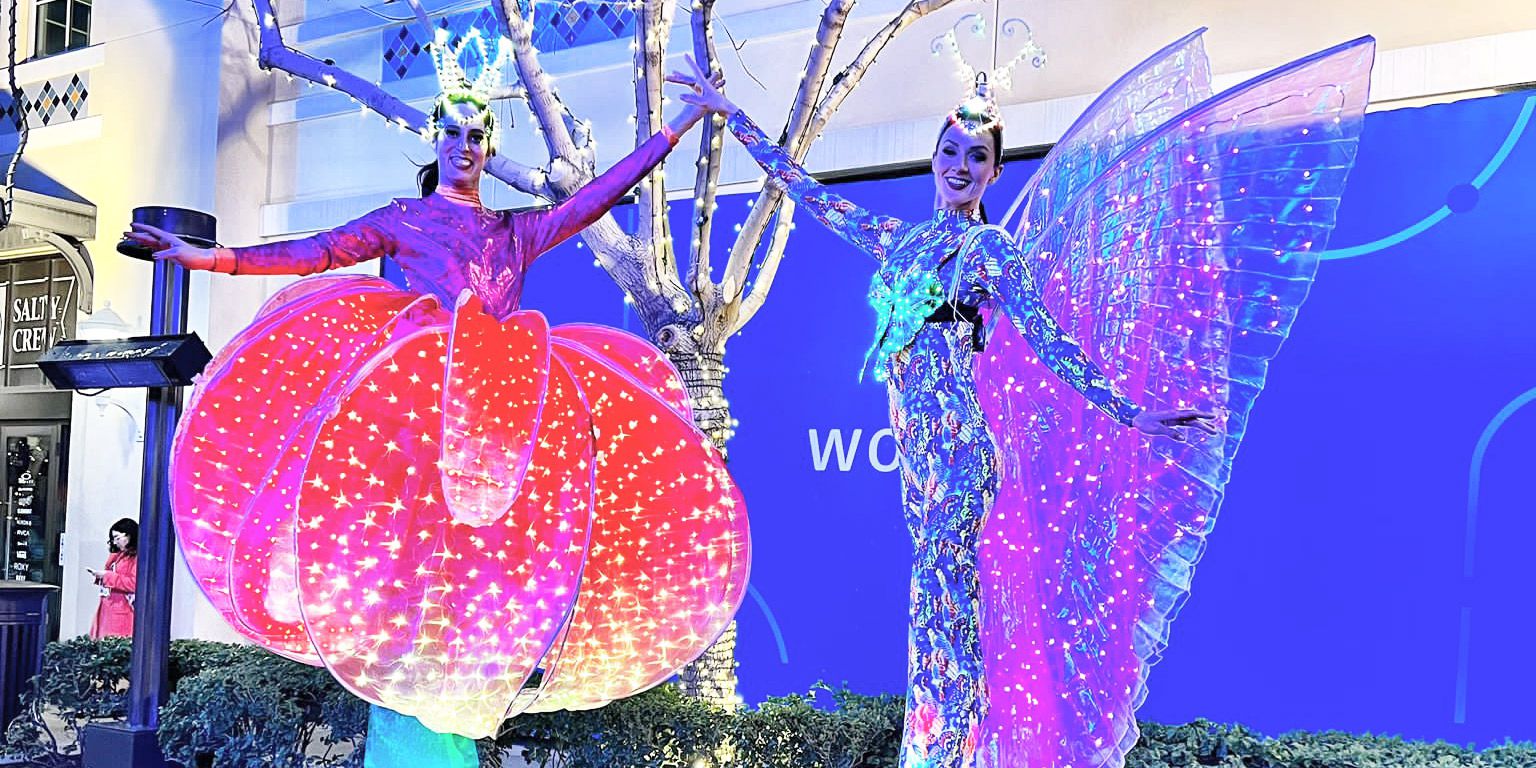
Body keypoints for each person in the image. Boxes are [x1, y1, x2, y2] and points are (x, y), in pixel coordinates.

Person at [675, 27, 1373, 768]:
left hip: (960, 455)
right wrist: (730, 113)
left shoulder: (990, 252)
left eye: (976, 158)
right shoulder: (900, 241)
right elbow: (806, 191)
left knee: (944, 614)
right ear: (934, 158)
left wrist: (1129, 412)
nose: (959, 166)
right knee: (937, 611)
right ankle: (952, 749)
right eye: (950, 152)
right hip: (917, 459)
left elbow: (1049, 340)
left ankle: (945, 754)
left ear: (994, 173)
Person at [123, 31, 749, 768]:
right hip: (416, 445)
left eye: (477, 134)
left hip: (493, 445)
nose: (465, 145)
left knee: (470, 621)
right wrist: (213, 258)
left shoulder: (514, 232)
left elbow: (595, 198)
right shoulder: (403, 219)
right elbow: (314, 252)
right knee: (409, 615)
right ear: (436, 138)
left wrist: (678, 126)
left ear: (486, 146)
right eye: (453, 131)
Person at [87, 518, 138, 639]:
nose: (115, 542)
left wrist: (107, 576)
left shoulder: (137, 556)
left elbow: (134, 583)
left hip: (123, 611)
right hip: (108, 607)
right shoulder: (118, 555)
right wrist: (100, 577)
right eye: (113, 539)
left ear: (129, 535)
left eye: (117, 537)